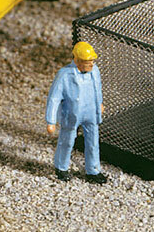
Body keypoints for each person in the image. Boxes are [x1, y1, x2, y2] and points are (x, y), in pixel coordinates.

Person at [45, 41, 107, 183]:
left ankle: (93, 171)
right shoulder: (65, 75)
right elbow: (54, 98)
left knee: (93, 142)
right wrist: (51, 121)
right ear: (78, 60)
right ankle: (61, 167)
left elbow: (97, 89)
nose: (92, 64)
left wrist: (99, 103)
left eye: (92, 61)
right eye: (88, 61)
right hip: (72, 114)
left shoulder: (95, 71)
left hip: (91, 112)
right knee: (66, 141)